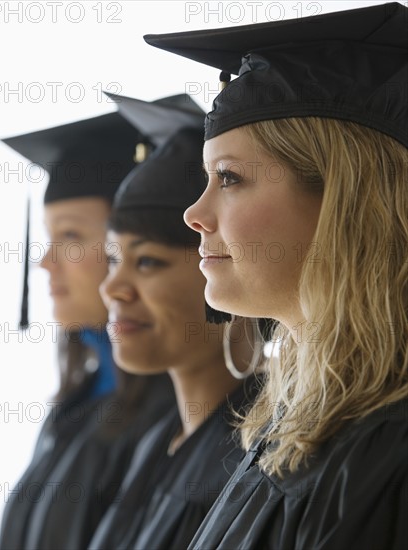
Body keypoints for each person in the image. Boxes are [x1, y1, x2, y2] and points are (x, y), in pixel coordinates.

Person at [144, 2, 408, 548]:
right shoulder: (290, 427)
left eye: (230, 178)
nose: (194, 213)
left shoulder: (391, 450)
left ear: (345, 201)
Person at [87, 93, 261, 549]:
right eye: (112, 260)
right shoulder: (155, 441)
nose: (111, 288)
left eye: (147, 263)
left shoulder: (258, 455)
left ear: (215, 261)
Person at [0, 112, 175, 550]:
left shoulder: (178, 414)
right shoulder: (76, 401)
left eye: (70, 235)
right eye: (48, 237)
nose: (44, 262)